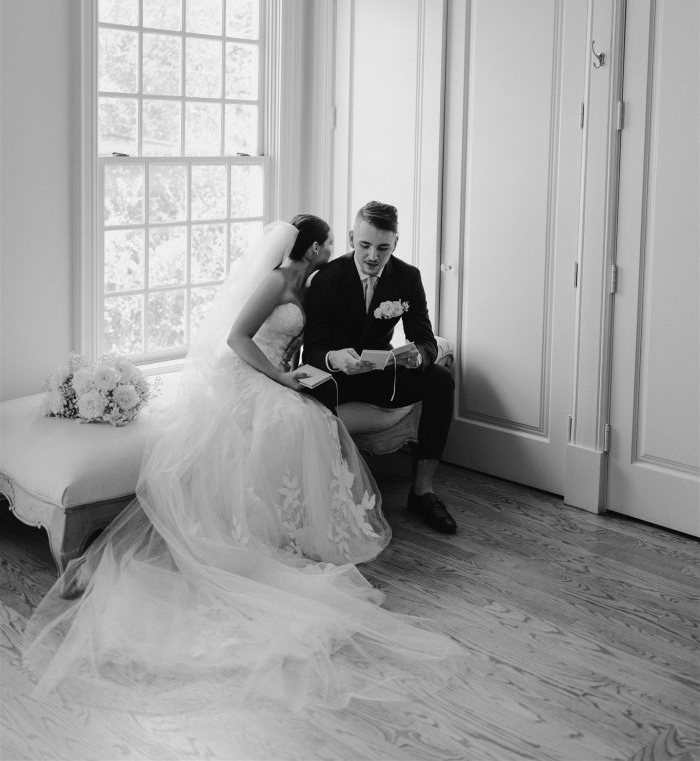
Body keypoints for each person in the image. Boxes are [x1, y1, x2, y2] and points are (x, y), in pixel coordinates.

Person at [23, 217, 456, 731]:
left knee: (314, 417)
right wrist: (286, 374)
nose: (353, 251)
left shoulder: (317, 282)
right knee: (302, 422)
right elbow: (236, 338)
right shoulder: (281, 280)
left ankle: (302, 519)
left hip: (290, 375)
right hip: (252, 374)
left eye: (374, 246)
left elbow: (316, 339)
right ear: (317, 247)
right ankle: (273, 530)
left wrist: (366, 358)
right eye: (347, 243)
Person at [303, 201, 457, 535]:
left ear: (396, 243)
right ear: (350, 238)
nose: (373, 255)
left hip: (380, 374)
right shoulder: (326, 280)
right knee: (318, 392)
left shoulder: (408, 277)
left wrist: (420, 355)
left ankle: (423, 492)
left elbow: (425, 338)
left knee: (440, 381)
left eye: (383, 248)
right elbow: (312, 348)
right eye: (365, 245)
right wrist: (333, 358)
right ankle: (332, 499)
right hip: (337, 379)